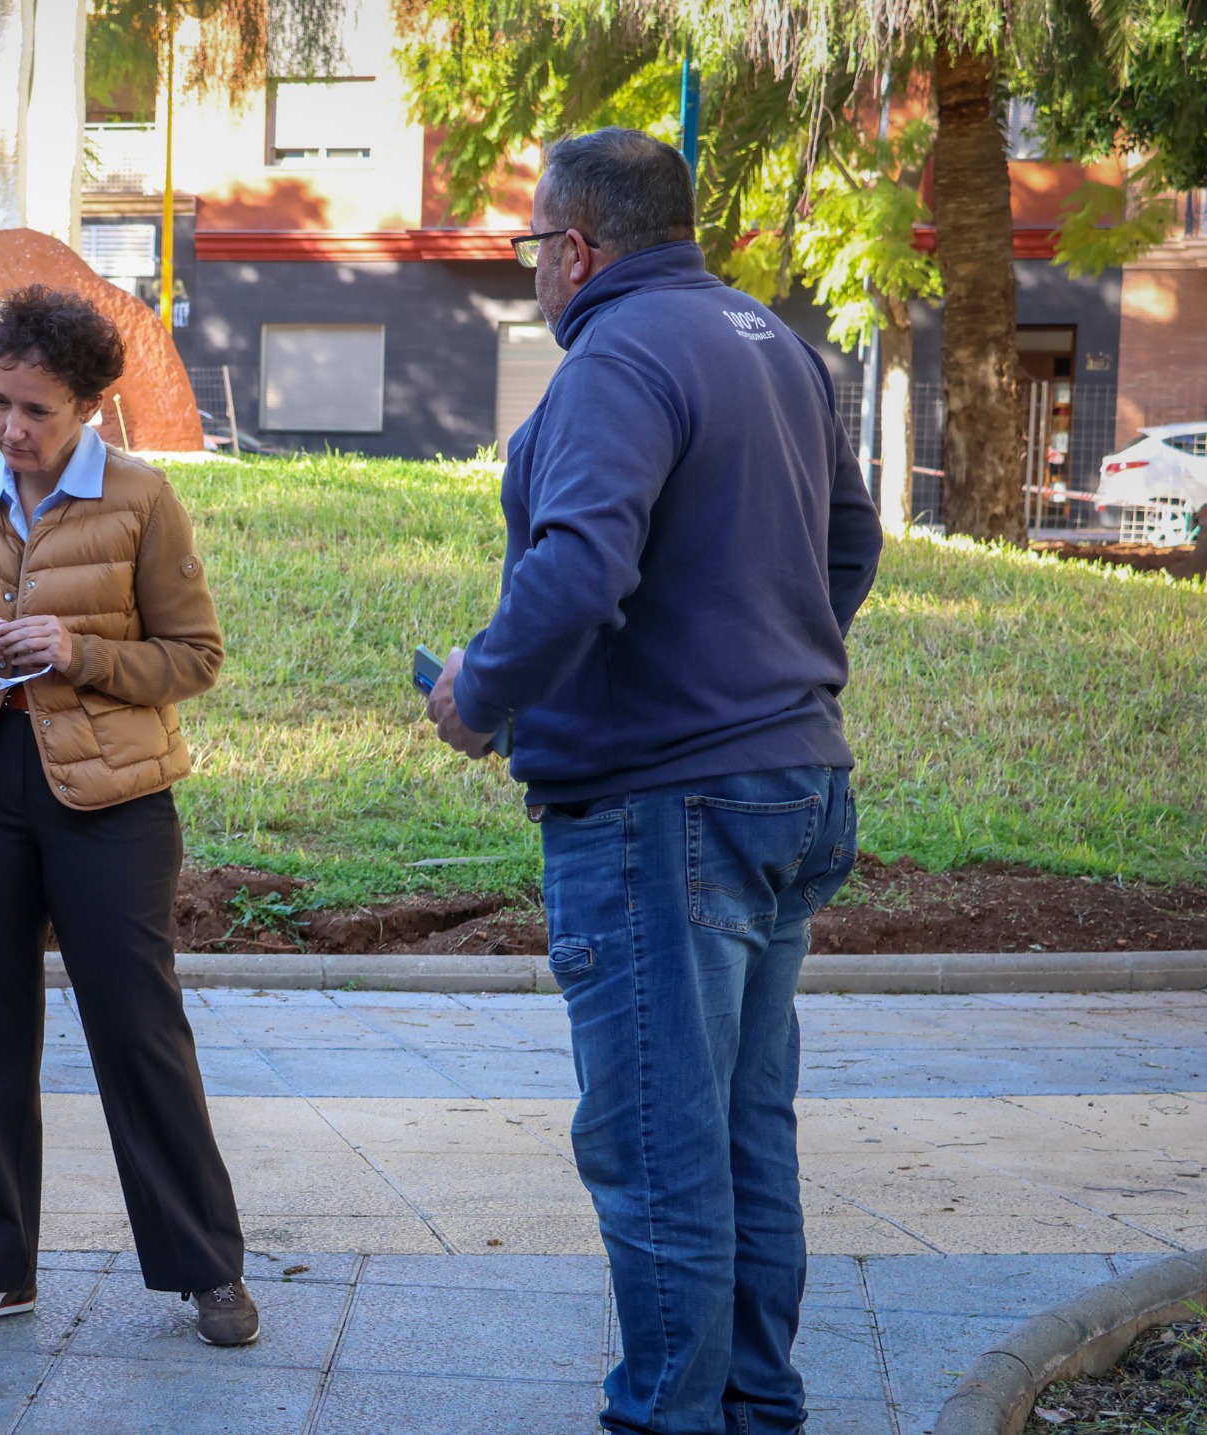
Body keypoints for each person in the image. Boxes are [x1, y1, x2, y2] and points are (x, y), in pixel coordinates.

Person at [428, 128, 884, 1435]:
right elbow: (851, 542)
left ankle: (668, 1420)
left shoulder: (614, 358)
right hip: (790, 779)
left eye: (532, 244)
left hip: (660, 806)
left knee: (656, 1153)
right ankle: (754, 1410)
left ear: (575, 249)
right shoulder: (770, 342)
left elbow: (577, 570)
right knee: (744, 1140)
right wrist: (763, 659)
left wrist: (481, 691)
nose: (532, 269)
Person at [0, 284, 257, 1348]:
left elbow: (194, 656)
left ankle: (206, 1268)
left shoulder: (143, 501)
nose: (13, 430)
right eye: (0, 404)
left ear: (91, 408)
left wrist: (79, 653)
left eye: (38, 411)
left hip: (112, 800)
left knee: (137, 1029)